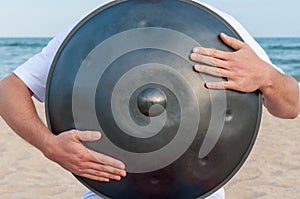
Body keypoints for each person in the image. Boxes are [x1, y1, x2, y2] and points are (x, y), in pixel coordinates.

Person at [0, 1, 299, 199]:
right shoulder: (99, 24)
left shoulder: (221, 25)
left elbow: (291, 106)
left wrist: (268, 78)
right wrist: (49, 145)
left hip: (196, 190)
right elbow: (9, 89)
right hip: (112, 190)